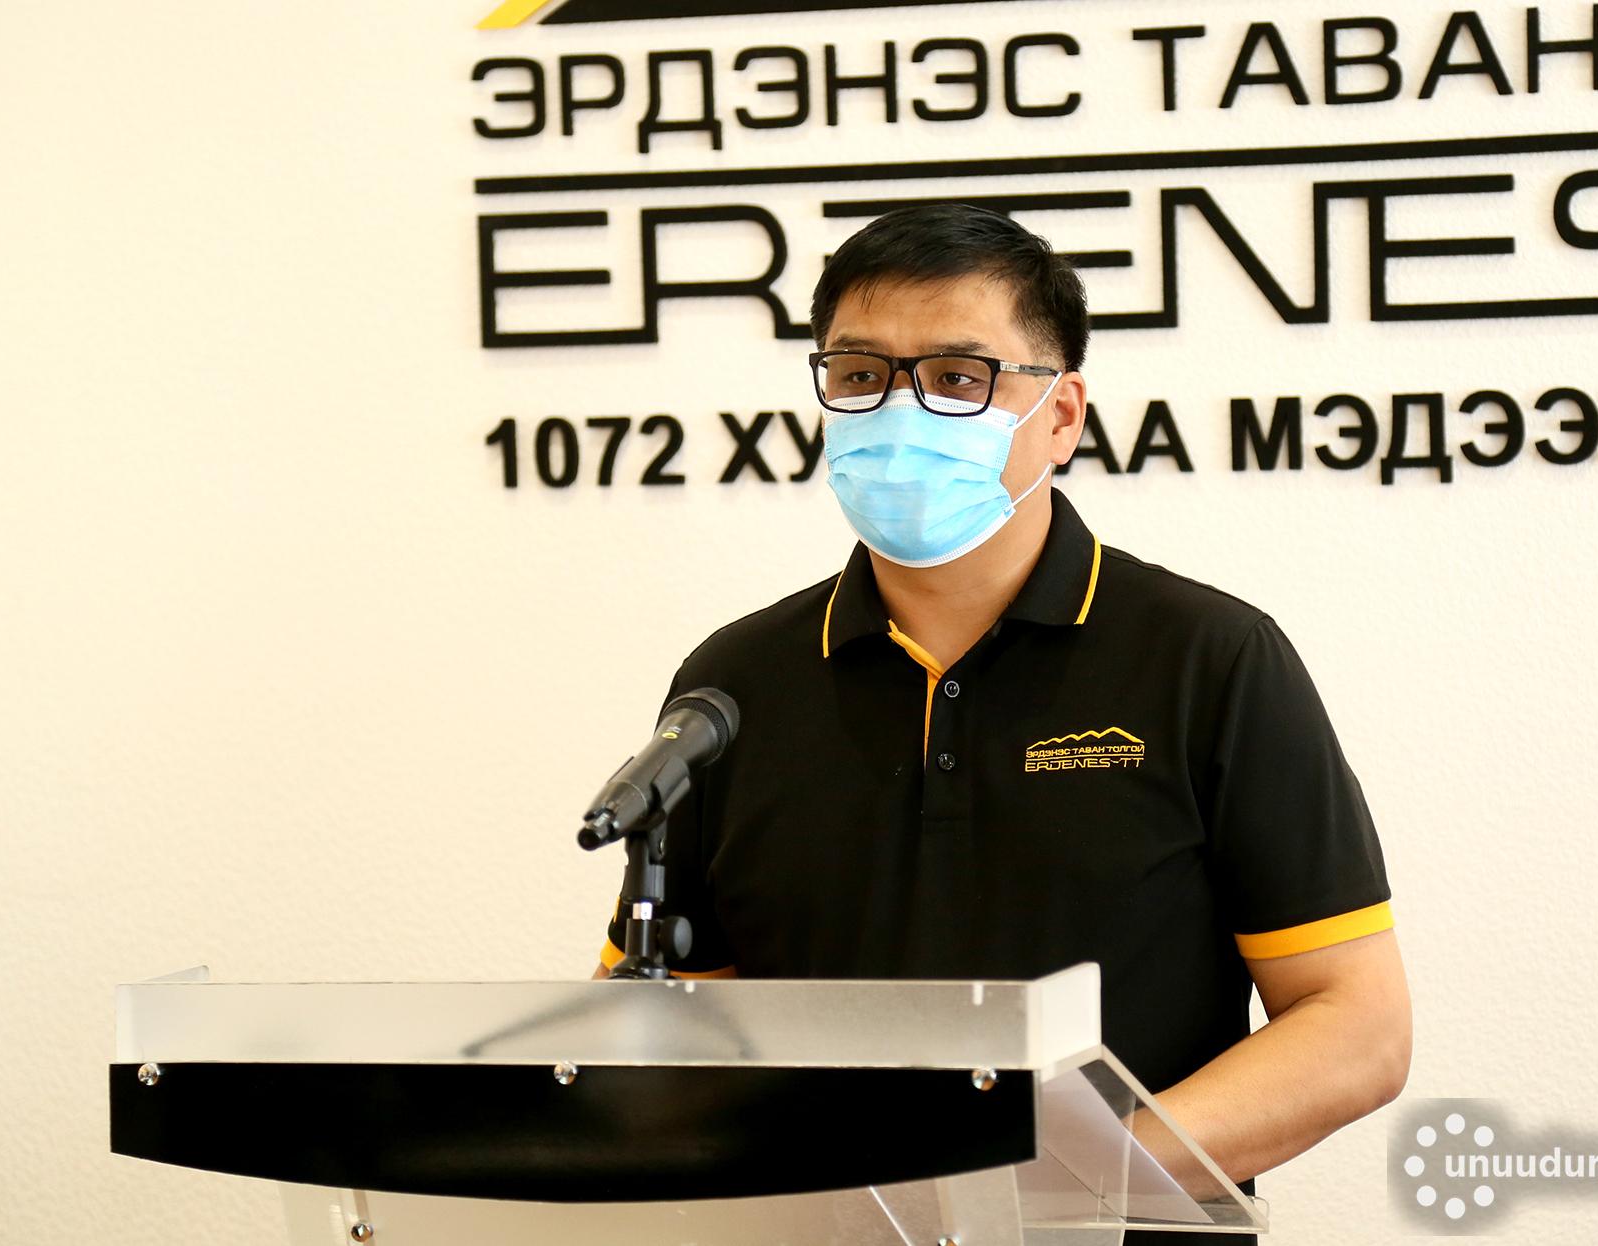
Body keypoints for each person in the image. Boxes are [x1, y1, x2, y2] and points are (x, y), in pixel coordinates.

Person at [594, 203, 1410, 1237]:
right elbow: (664, 1029)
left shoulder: (1208, 658)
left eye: (957, 377)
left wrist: (1053, 1181)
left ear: (1061, 415)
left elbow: (1356, 1025)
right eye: (860, 373)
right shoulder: (734, 684)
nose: (900, 410)